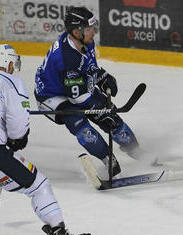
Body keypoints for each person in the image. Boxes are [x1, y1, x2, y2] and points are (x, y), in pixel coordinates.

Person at [0, 44, 96, 235]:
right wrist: (17, 138)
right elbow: (17, 120)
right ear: (7, 63)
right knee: (39, 186)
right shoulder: (10, 82)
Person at [34, 6, 141, 180]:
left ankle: (136, 150)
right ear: (76, 32)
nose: (93, 32)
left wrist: (102, 76)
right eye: (89, 29)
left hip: (74, 86)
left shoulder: (85, 42)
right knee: (80, 124)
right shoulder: (66, 58)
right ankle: (108, 159)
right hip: (51, 95)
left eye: (92, 28)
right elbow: (77, 98)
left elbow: (88, 66)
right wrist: (100, 111)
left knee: (111, 117)